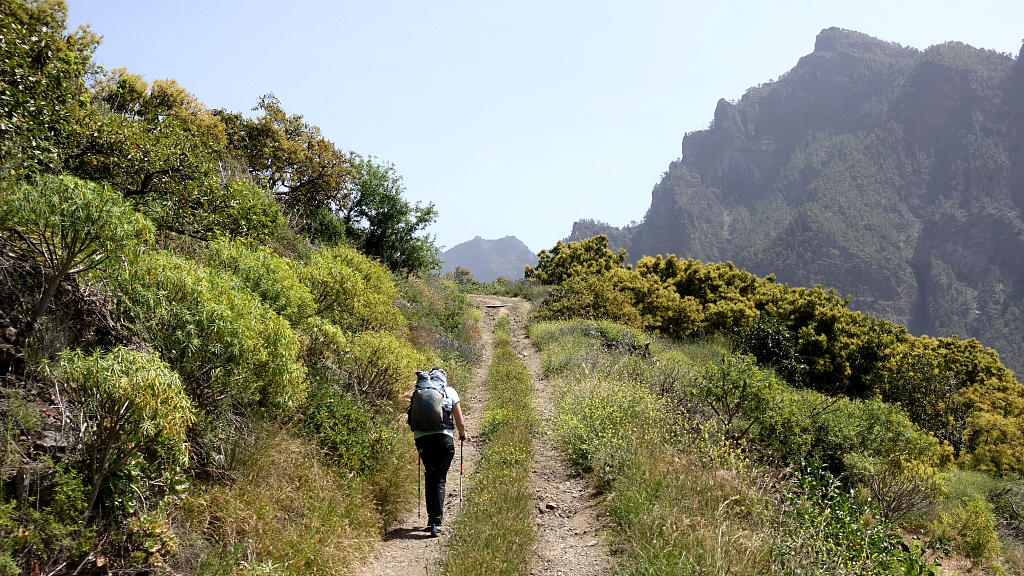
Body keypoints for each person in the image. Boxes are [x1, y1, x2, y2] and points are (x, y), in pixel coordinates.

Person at [412, 366, 467, 537]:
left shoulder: (419, 390)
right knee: (439, 479)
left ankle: (431, 519)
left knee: (430, 475)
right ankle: (436, 522)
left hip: (421, 439)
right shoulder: (449, 391)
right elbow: (460, 420)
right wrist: (462, 435)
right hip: (443, 439)